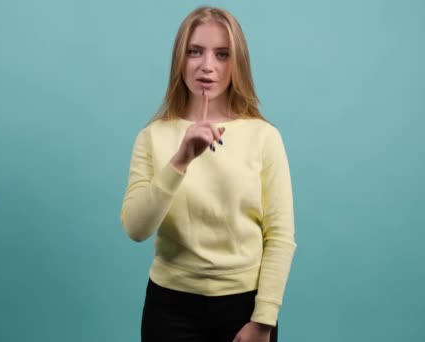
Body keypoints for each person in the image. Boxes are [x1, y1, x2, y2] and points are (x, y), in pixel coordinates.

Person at [120, 6, 296, 342]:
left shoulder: (263, 136)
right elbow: (136, 228)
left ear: (237, 63)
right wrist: (182, 158)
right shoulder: (152, 137)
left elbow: (280, 237)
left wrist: (264, 320)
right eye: (195, 52)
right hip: (169, 309)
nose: (207, 65)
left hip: (245, 308)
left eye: (222, 54)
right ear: (180, 60)